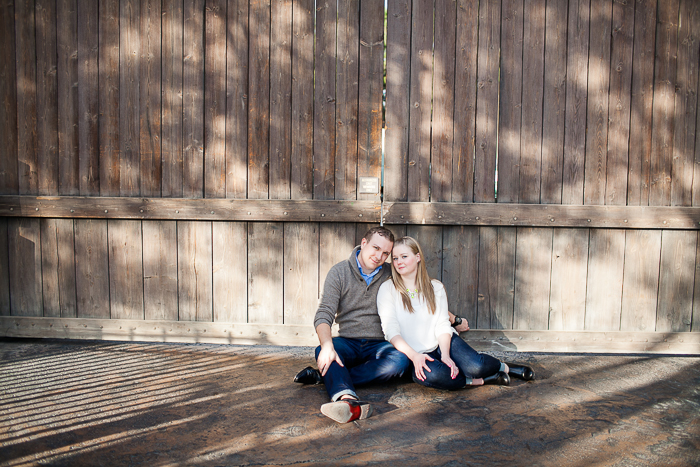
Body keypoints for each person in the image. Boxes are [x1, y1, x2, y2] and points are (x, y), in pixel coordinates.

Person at [377, 236, 535, 391]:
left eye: (404, 256)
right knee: (434, 376)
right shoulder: (388, 289)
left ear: (417, 257)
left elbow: (442, 324)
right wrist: (414, 356)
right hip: (414, 352)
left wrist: (446, 355)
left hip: (442, 342)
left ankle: (505, 367)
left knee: (476, 366)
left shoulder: (435, 287)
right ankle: (481, 381)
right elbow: (391, 331)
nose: (399, 262)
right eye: (395, 258)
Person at [293, 226, 411, 423]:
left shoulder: (392, 274)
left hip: (380, 344)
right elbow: (324, 313)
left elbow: (417, 295)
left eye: (385, 253)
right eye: (375, 248)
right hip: (348, 342)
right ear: (363, 243)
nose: (379, 256)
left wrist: (450, 317)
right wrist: (327, 346)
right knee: (324, 351)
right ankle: (348, 399)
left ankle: (326, 377)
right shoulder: (339, 272)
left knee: (400, 361)